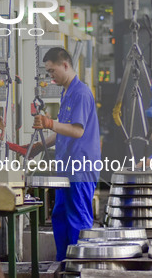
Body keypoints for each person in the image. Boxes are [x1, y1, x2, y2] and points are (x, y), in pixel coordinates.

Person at [32, 47, 101, 261]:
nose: (51, 76)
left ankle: (80, 268)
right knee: (60, 216)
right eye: (48, 72)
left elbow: (77, 131)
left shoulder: (80, 93)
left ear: (65, 65)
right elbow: (64, 132)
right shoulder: (67, 92)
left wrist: (50, 123)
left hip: (80, 170)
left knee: (77, 220)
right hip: (65, 170)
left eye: (52, 71)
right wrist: (39, 146)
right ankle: (64, 264)